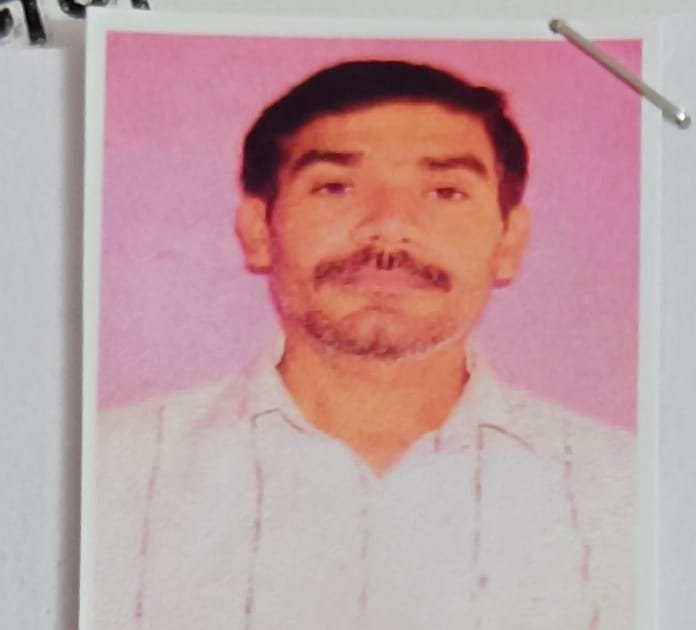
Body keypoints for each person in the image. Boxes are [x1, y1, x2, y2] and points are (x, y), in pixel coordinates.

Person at [94, 60, 634, 630]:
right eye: (336, 187)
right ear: (258, 231)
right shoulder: (108, 472)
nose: (390, 226)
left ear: (508, 243)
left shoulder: (629, 490)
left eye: (445, 191)